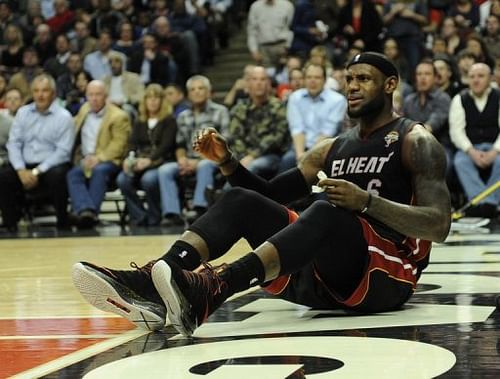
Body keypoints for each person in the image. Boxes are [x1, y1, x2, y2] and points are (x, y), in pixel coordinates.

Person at [72, 52, 451, 334]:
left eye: (363, 79)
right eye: (348, 79)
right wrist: (228, 164)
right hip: (322, 276)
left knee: (327, 211)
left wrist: (367, 202)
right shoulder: (332, 146)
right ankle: (154, 282)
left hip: (386, 276)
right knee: (241, 200)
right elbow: (270, 195)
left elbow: (438, 225)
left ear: (389, 85)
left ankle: (216, 288)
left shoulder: (414, 140)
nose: (352, 86)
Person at [1, 74, 75, 231]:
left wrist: (36, 171)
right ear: (32, 93)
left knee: (58, 175)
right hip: (25, 165)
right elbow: (14, 143)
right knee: (5, 176)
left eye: (45, 91)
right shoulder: (23, 113)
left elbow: (63, 151)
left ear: (53, 93)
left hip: (51, 166)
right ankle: (10, 225)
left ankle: (63, 223)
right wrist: (21, 170)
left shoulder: (64, 117)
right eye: (36, 91)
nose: (40, 95)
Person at [158, 75, 230, 226]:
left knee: (205, 166)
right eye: (193, 89)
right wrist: (182, 159)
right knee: (165, 170)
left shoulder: (220, 111)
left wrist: (198, 161)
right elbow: (180, 144)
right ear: (188, 94)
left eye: (201, 88)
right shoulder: (183, 116)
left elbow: (224, 143)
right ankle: (172, 214)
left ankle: (200, 208)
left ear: (209, 92)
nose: (197, 92)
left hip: (214, 159)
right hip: (189, 160)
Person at [66, 80, 131, 228]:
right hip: (85, 159)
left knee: (99, 171)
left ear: (105, 96)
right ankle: (86, 211)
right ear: (86, 96)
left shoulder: (119, 116)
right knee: (73, 174)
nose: (94, 98)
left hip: (110, 161)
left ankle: (90, 214)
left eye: (98, 95)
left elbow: (119, 145)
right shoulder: (84, 110)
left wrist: (99, 158)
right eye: (91, 95)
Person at [116, 84, 177, 227]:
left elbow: (166, 145)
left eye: (156, 97)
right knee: (122, 180)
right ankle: (139, 216)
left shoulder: (169, 120)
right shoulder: (139, 121)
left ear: (162, 100)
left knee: (148, 180)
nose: (153, 101)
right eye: (149, 97)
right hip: (140, 160)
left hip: (160, 161)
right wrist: (128, 159)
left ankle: (154, 216)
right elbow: (132, 143)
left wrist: (150, 160)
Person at [449, 63, 500, 218]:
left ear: (490, 78)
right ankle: (488, 204)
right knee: (460, 162)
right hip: (470, 148)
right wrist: (471, 151)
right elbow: (456, 131)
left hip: (495, 147)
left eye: (480, 76)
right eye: (472, 77)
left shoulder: (498, 96)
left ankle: (485, 203)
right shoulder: (460, 99)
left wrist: (495, 151)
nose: (476, 80)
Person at [280, 62, 348, 172]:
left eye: (317, 77)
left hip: (325, 149)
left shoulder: (338, 100)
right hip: (299, 148)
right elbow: (297, 129)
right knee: (287, 161)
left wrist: (308, 159)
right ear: (304, 79)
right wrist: (300, 156)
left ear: (325, 80)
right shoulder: (295, 97)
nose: (312, 81)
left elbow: (327, 132)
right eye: (309, 77)